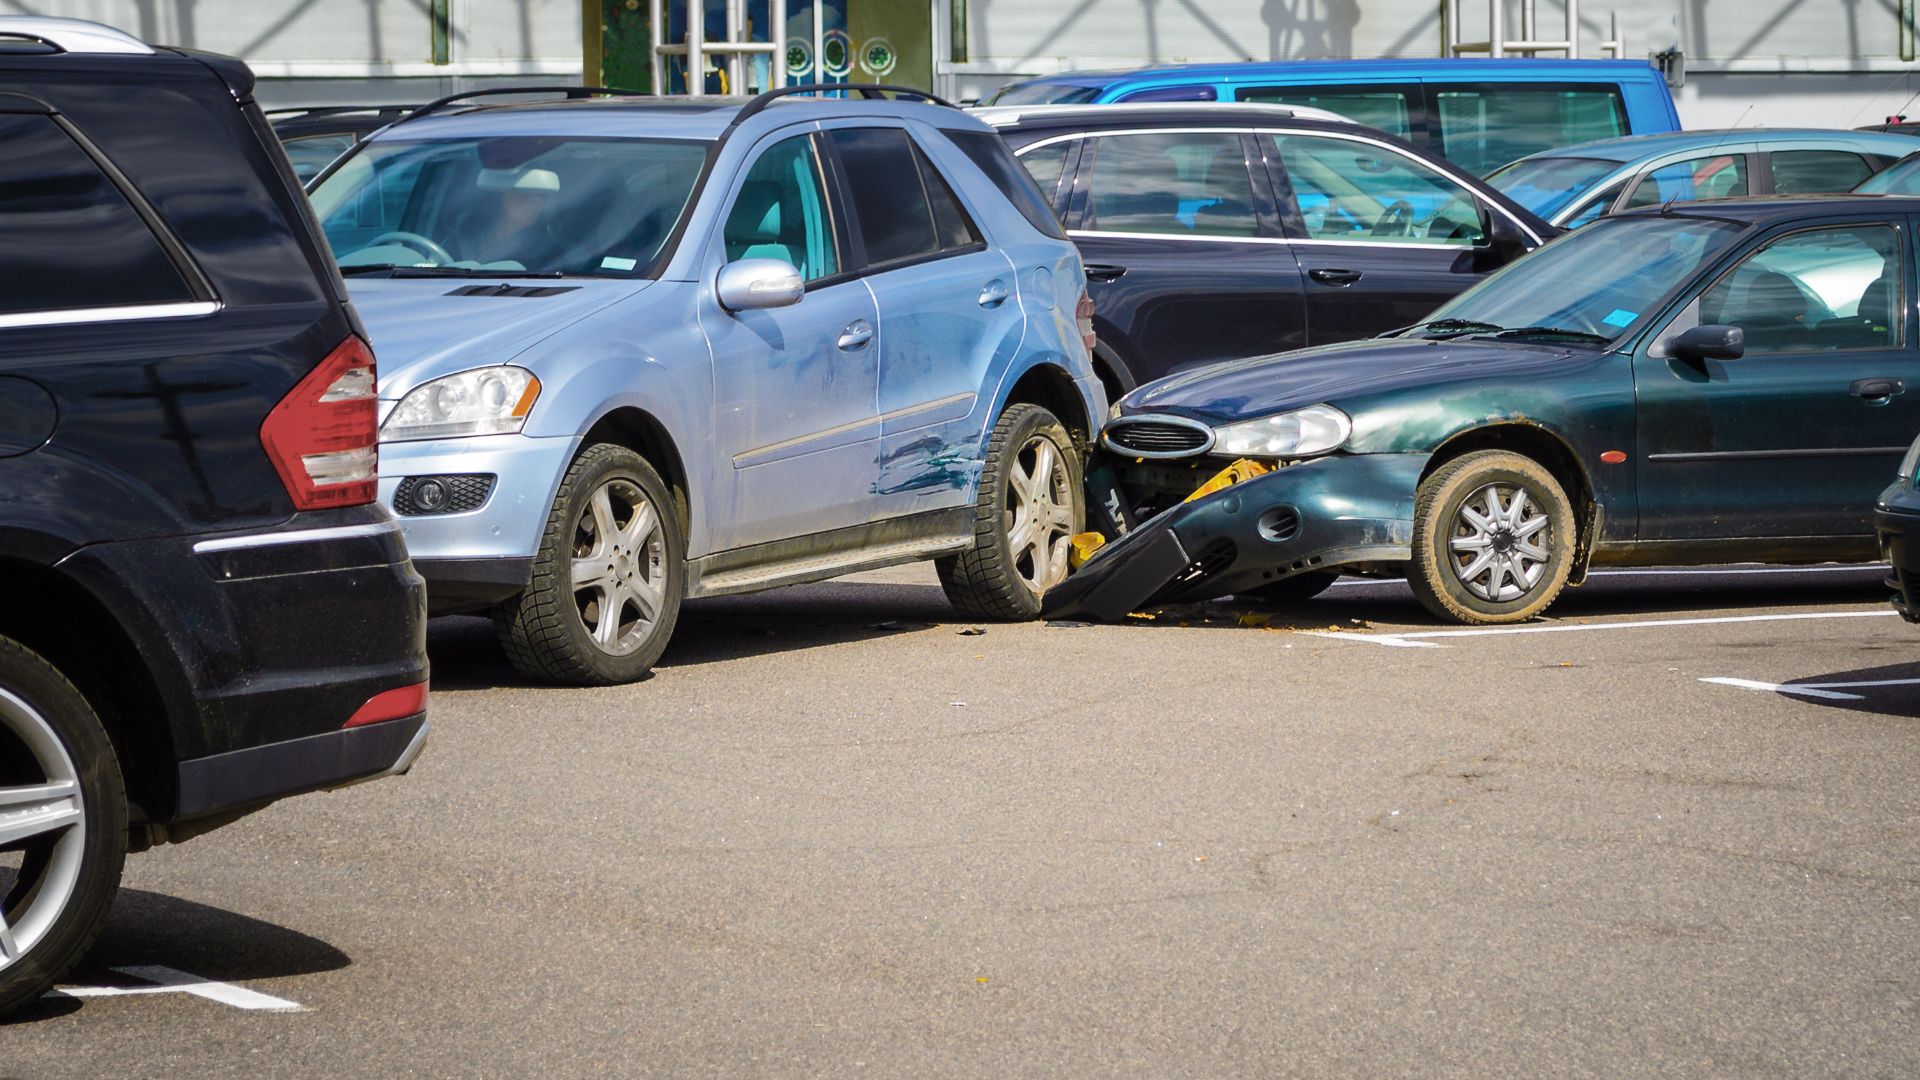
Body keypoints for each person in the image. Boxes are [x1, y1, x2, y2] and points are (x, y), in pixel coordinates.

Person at [467, 167, 560, 266]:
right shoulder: (466, 236)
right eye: (524, 193)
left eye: (541, 196)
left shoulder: (549, 253)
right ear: (501, 196)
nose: (536, 204)